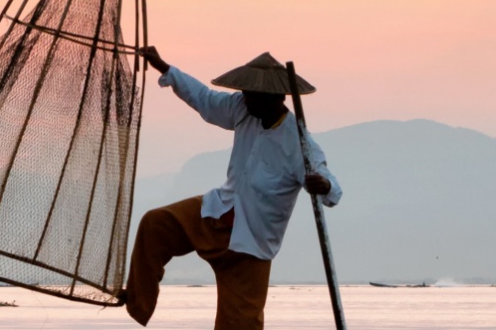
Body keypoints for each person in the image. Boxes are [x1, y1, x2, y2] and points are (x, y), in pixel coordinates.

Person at [121, 47, 343, 330]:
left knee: (240, 325)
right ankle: (138, 300)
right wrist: (165, 68)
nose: (244, 98)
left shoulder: (299, 144)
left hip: (251, 246)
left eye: (251, 95)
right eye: (245, 92)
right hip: (216, 213)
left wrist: (322, 185)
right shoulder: (242, 108)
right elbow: (204, 99)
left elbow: (332, 188)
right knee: (156, 224)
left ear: (274, 98)